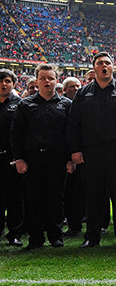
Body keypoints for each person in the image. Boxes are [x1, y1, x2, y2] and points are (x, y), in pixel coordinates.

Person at [67, 52, 116, 248]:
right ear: (94, 68)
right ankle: (92, 236)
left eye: (107, 63)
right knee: (92, 196)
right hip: (90, 154)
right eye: (100, 63)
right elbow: (74, 124)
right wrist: (75, 150)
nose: (104, 66)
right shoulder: (83, 93)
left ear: (113, 67)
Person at [11, 64, 74, 249]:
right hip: (33, 159)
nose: (47, 81)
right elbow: (16, 135)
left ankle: (56, 236)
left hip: (58, 158)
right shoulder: (25, 105)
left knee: (56, 198)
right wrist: (19, 158)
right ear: (37, 81)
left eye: (51, 78)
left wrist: (70, 158)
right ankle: (36, 238)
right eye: (43, 78)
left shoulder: (66, 104)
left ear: (57, 80)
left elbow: (71, 134)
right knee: (33, 199)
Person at [0, 69, 24, 247]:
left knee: (14, 197)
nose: (3, 84)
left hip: (11, 158)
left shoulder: (20, 104)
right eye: (1, 81)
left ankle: (15, 233)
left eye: (7, 81)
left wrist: (20, 157)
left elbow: (23, 133)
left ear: (13, 84)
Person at [61, 76, 84, 236]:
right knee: (65, 193)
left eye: (77, 86)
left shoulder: (83, 104)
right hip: (63, 154)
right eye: (71, 86)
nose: (74, 89)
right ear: (64, 89)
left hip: (81, 155)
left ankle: (76, 224)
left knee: (78, 192)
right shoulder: (62, 105)